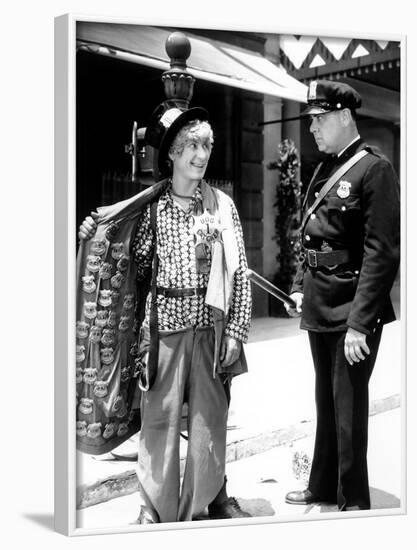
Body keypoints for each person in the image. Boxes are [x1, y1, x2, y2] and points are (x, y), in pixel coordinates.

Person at [77, 101, 252, 523]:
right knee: (159, 424)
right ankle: (153, 507)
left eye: (207, 145)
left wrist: (236, 330)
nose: (202, 154)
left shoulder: (221, 205)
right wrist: (90, 233)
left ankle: (212, 496)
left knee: (210, 422)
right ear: (172, 152)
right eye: (192, 145)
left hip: (210, 331)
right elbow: (126, 264)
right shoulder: (153, 211)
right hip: (165, 330)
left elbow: (240, 271)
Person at [284, 80, 400, 511]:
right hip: (319, 302)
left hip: (352, 307)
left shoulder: (375, 170)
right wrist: (299, 287)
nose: (312, 128)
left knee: (348, 408)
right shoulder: (326, 167)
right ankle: (322, 483)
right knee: (326, 401)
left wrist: (359, 324)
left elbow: (381, 252)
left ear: (345, 116)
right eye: (311, 121)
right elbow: (312, 236)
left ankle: (354, 500)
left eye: (320, 119)